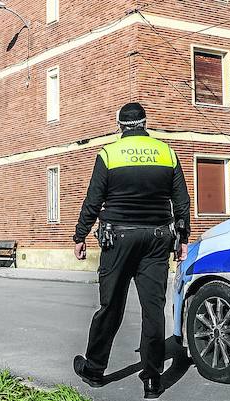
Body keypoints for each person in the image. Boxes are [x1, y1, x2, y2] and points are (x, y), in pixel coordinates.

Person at [72, 102, 191, 399]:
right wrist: (183, 238)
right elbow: (182, 201)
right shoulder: (167, 152)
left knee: (110, 306)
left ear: (119, 125)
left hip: (119, 239)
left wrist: (80, 235)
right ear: (145, 123)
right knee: (153, 310)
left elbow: (93, 200)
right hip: (157, 238)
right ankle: (152, 379)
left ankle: (95, 370)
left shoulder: (109, 153)